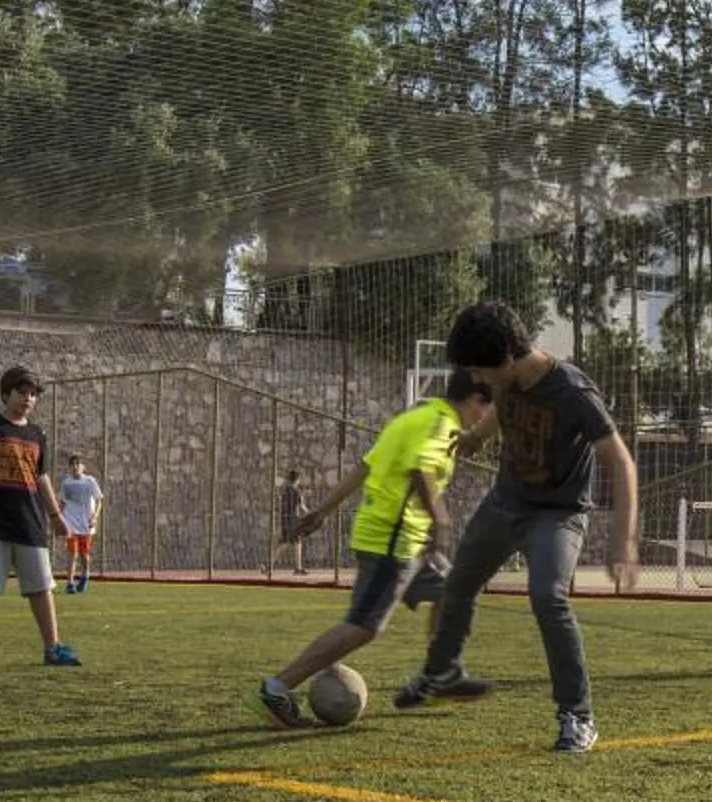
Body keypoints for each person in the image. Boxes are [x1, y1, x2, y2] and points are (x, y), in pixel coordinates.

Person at [394, 301, 639, 753]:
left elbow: (621, 462)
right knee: (458, 584)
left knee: (548, 597)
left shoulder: (573, 393)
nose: (478, 382)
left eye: (481, 371)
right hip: (506, 503)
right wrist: (473, 439)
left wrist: (624, 541)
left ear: (507, 356)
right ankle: (440, 672)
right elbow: (500, 412)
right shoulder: (506, 382)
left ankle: (577, 715)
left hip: (558, 514)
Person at [259, 372, 494, 728]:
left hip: (407, 542)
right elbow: (421, 470)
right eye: (488, 410)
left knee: (455, 589)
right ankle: (275, 689)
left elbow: (364, 467)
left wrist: (322, 511)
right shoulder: (440, 423)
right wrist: (440, 522)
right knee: (363, 627)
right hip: (391, 541)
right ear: (478, 400)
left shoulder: (413, 418)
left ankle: (438, 676)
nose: (486, 421)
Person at [0, 364, 81, 669]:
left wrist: (55, 516)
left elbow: (42, 477)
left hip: (29, 522)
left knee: (41, 586)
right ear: (5, 394)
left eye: (34, 394)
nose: (29, 399)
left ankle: (53, 648)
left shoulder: (38, 434)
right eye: (22, 392)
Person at [57, 453, 103, 595]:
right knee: (73, 554)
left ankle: (85, 575)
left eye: (78, 464)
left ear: (83, 467)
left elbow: (99, 500)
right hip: (71, 523)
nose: (75, 467)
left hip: (86, 525)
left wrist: (94, 517)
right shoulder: (66, 483)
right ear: (70, 467)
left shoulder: (90, 481)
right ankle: (70, 583)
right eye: (73, 464)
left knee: (84, 555)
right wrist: (59, 520)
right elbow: (62, 502)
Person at [276, 468, 310, 576]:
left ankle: (267, 565)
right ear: (298, 479)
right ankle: (298, 568)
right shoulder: (296, 491)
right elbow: (302, 507)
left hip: (285, 519)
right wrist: (311, 514)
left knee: (286, 542)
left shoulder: (285, 491)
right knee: (296, 542)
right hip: (293, 519)